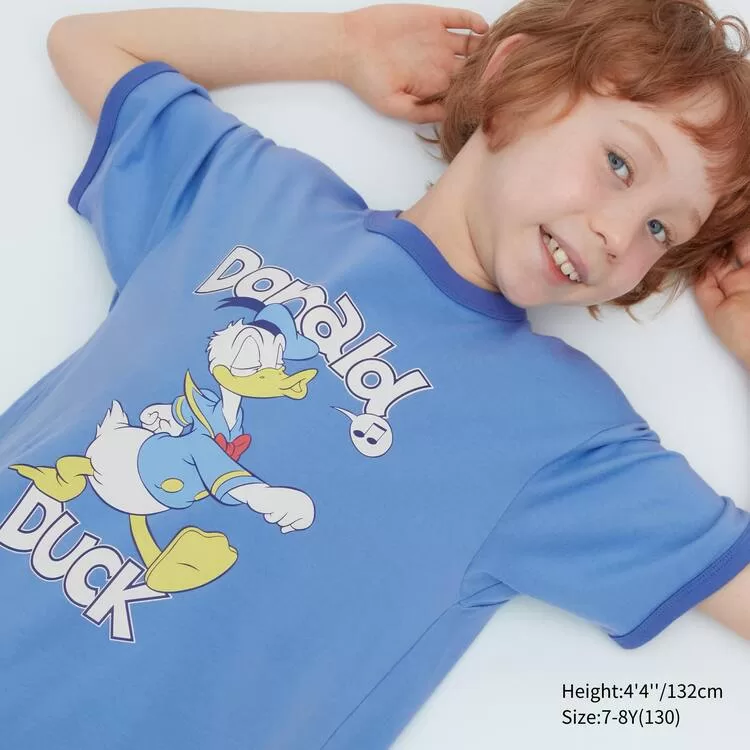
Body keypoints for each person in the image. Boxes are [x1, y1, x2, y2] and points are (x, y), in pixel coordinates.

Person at [2, 1, 750, 748]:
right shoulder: (254, 195)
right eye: (619, 164)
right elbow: (87, 41)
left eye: (661, 229)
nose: (619, 235)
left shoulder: (560, 433)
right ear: (513, 79)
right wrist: (338, 44)